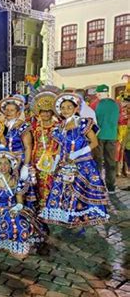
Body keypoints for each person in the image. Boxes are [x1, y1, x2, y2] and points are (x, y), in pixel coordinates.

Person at [39, 93, 109, 232]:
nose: (65, 110)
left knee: (82, 192)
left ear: (76, 108)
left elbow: (94, 142)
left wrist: (79, 152)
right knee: (67, 193)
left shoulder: (84, 123)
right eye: (63, 108)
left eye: (69, 107)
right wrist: (56, 162)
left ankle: (82, 221)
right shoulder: (60, 127)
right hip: (65, 165)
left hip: (83, 165)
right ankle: (70, 219)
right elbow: (60, 147)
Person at [0, 95, 37, 208]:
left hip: (19, 161)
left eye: (12, 110)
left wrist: (26, 165)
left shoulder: (23, 126)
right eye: (6, 110)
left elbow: (28, 147)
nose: (8, 112)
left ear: (18, 112)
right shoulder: (2, 125)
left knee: (20, 187)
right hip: (5, 161)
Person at [30, 91, 60, 209]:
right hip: (36, 158)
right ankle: (39, 205)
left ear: (52, 112)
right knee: (37, 182)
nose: (45, 114)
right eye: (43, 111)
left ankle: (49, 205)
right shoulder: (34, 127)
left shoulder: (57, 127)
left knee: (49, 181)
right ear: (39, 113)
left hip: (51, 159)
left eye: (48, 111)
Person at [94, 84, 119, 193]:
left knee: (98, 161)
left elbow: (96, 121)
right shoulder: (115, 104)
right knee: (111, 162)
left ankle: (97, 184)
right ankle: (111, 186)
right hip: (112, 136)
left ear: (99, 93)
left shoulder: (98, 105)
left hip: (100, 136)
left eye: (97, 93)